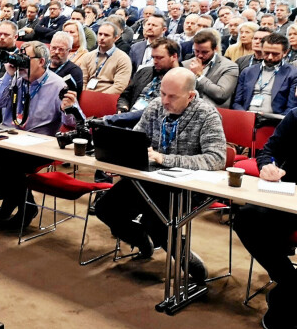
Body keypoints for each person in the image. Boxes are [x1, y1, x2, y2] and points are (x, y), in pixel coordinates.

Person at [94, 68, 225, 284]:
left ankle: (189, 262)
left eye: (172, 96)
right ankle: (141, 240)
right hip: (148, 180)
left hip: (184, 187)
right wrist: (119, 160)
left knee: (156, 223)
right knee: (105, 208)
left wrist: (166, 159)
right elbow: (136, 140)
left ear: (191, 96)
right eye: (162, 93)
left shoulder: (207, 114)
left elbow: (216, 159)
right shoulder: (155, 106)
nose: (164, 100)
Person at [0, 41, 79, 228]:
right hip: (8, 137)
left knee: (4, 163)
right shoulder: (15, 79)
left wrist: (69, 109)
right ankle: (14, 200)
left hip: (36, 146)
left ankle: (23, 206)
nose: (20, 63)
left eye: (25, 58)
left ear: (42, 61)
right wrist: (8, 74)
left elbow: (73, 123)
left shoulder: (57, 85)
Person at [234, 109, 297, 328]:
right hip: (289, 198)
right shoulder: (296, 116)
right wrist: (268, 165)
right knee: (247, 218)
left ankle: (287, 295)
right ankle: (291, 285)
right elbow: (268, 152)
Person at [232, 32, 297, 116]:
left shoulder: (293, 74)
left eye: (275, 54)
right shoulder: (248, 71)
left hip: (275, 121)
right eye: (266, 53)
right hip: (247, 118)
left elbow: (291, 107)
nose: (270, 57)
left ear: (285, 52)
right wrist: (245, 115)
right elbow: (237, 102)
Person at [182, 29, 238, 108]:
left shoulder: (229, 66)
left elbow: (221, 95)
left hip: (213, 112)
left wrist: (199, 76)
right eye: (197, 51)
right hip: (187, 111)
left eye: (205, 52)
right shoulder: (186, 64)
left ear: (215, 49)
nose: (200, 55)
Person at [77, 22, 132, 94]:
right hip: (86, 95)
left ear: (115, 38)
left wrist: (99, 97)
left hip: (108, 98)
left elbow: (119, 87)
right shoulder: (88, 56)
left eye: (106, 35)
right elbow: (83, 81)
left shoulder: (123, 59)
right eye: (100, 34)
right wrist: (85, 95)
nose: (102, 38)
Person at [47, 31, 83, 96]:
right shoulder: (42, 66)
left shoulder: (74, 71)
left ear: (69, 51)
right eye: (53, 48)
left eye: (61, 49)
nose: (56, 52)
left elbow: (70, 100)